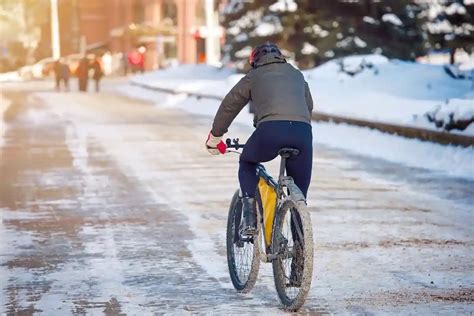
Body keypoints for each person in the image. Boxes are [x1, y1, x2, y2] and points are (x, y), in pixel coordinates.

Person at [205, 43, 314, 235]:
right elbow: (308, 105)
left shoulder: (254, 76)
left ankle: (249, 218)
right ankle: (300, 256)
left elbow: (230, 105)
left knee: (247, 161)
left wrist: (215, 137)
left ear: (254, 62)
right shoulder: (297, 74)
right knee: (299, 195)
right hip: (302, 133)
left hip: (270, 132)